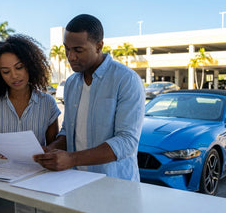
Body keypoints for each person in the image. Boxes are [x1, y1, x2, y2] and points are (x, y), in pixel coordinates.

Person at [33, 14, 145, 181]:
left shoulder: (126, 80)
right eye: (67, 48)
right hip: (75, 180)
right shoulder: (71, 83)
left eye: (78, 50)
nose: (70, 56)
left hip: (114, 184)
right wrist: (51, 150)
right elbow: (68, 131)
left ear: (99, 46)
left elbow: (127, 141)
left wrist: (72, 159)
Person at [0, 34, 60, 165]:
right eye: (6, 71)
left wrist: (49, 150)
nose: (14, 76)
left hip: (35, 175)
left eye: (19, 67)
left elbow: (54, 143)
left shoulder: (47, 103)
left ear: (30, 66)